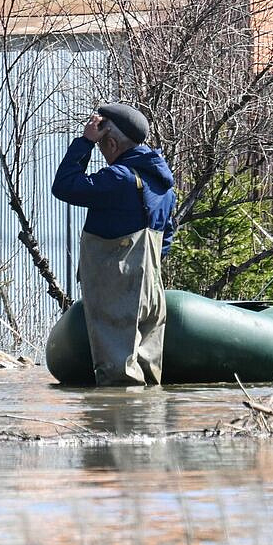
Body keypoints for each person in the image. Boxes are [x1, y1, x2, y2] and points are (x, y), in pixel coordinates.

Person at [50, 103, 176, 386]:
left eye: (103, 144)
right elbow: (166, 236)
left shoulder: (118, 178)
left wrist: (84, 143)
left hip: (118, 294)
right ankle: (150, 428)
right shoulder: (163, 185)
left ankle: (120, 428)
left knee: (119, 379)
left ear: (111, 142)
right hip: (152, 291)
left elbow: (64, 186)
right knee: (149, 372)